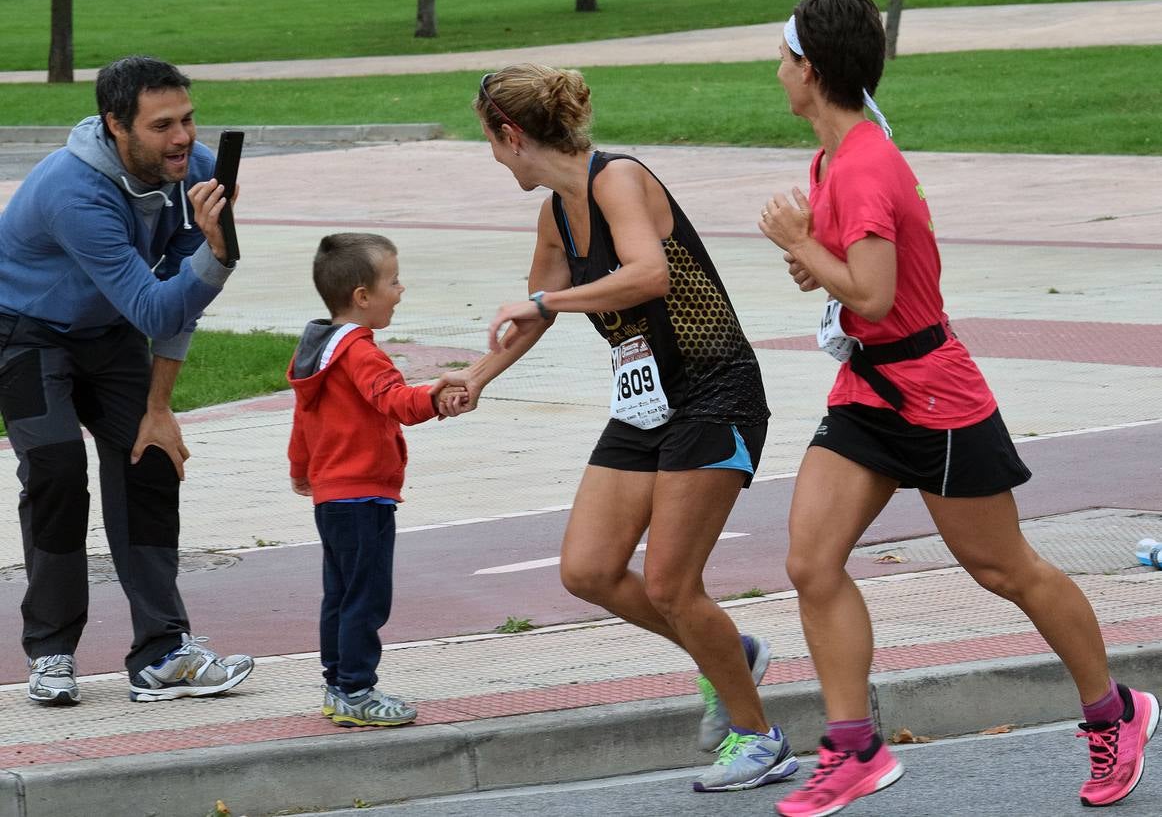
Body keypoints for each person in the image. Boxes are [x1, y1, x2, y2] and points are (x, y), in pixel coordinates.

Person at [758, 0, 1158, 816]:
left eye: (786, 57)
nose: (777, 71)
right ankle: (853, 748)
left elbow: (871, 294)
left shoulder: (864, 165)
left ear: (814, 69)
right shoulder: (833, 159)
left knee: (1002, 569)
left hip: (933, 394)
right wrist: (812, 258)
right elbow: (859, 284)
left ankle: (1117, 712)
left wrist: (804, 247)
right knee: (810, 560)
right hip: (868, 389)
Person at [442, 63, 796, 792]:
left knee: (670, 582)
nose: (492, 155)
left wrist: (546, 302)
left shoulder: (617, 179)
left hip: (714, 393)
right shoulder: (555, 213)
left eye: (488, 141)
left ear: (509, 135)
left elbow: (646, 275)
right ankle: (730, 649)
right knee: (589, 570)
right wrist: (477, 376)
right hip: (647, 403)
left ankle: (761, 738)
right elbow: (540, 308)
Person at [0, 56, 255, 704]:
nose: (184, 137)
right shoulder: (74, 190)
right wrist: (219, 253)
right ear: (117, 126)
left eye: (189, 118)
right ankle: (52, 652)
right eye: (162, 125)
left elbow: (178, 300)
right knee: (56, 469)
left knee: (150, 457)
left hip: (107, 332)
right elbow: (154, 307)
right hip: (23, 332)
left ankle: (161, 653)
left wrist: (160, 407)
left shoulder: (194, 175)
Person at [288, 233, 465, 728]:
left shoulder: (316, 352)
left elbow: (304, 420)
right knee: (366, 596)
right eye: (393, 280)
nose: (401, 289)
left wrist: (302, 471)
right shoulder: (361, 353)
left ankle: (337, 684)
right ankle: (357, 689)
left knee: (340, 593)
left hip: (332, 494)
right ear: (362, 296)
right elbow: (394, 402)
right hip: (364, 494)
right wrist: (435, 394)